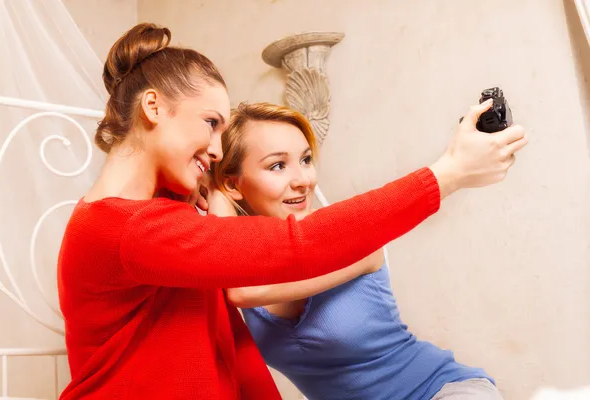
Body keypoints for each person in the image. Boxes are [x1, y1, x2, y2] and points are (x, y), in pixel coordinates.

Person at [56, 22, 528, 399]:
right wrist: (447, 175)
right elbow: (294, 247)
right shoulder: (125, 228)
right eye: (210, 123)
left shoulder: (160, 224)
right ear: (153, 107)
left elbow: (231, 347)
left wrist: (198, 185)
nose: (216, 149)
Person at [211, 102, 511, 400]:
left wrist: (214, 192)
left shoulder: (350, 236)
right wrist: (217, 190)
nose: (303, 180)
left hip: (438, 392)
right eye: (278, 165)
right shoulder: (242, 257)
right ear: (233, 184)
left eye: (305, 160)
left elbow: (243, 288)